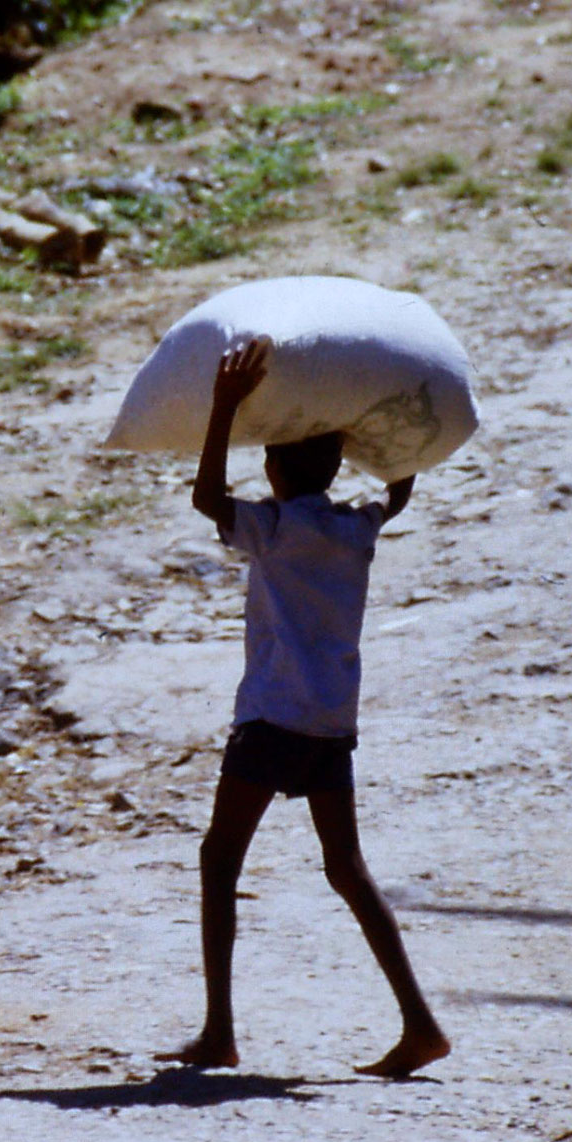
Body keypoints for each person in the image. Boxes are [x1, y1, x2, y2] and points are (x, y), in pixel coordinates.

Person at [158, 336, 450, 1078]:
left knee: (220, 858)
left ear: (272, 466)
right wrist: (394, 422)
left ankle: (220, 1029)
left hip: (269, 720)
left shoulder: (274, 528)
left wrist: (222, 407)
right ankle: (419, 1021)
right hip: (330, 724)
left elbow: (204, 500)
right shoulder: (357, 531)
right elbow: (398, 492)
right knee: (347, 866)